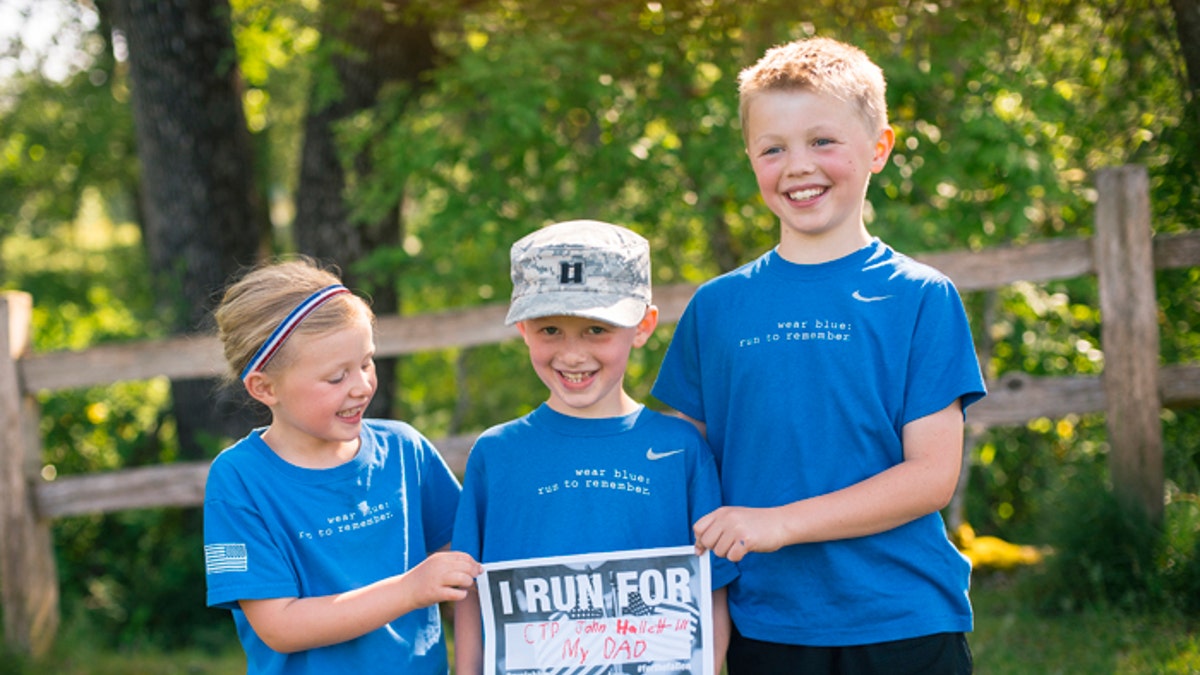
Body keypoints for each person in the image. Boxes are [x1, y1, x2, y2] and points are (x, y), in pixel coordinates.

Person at [651, 37, 987, 675]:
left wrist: (779, 523)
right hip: (766, 622)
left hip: (903, 620)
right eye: (772, 149)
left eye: (822, 141)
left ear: (879, 148)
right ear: (751, 159)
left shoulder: (919, 297)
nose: (797, 166)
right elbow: (682, 465)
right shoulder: (717, 307)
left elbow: (929, 478)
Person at [451, 220, 737, 675]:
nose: (572, 354)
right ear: (524, 329)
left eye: (596, 330)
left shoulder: (681, 451)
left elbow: (712, 591)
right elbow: (470, 591)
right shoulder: (497, 454)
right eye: (550, 331)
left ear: (643, 326)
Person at [203, 258, 481, 675]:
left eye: (366, 363)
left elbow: (471, 567)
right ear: (264, 387)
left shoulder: (406, 450)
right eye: (336, 377)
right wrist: (408, 590)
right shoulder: (239, 480)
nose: (362, 385)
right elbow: (279, 626)